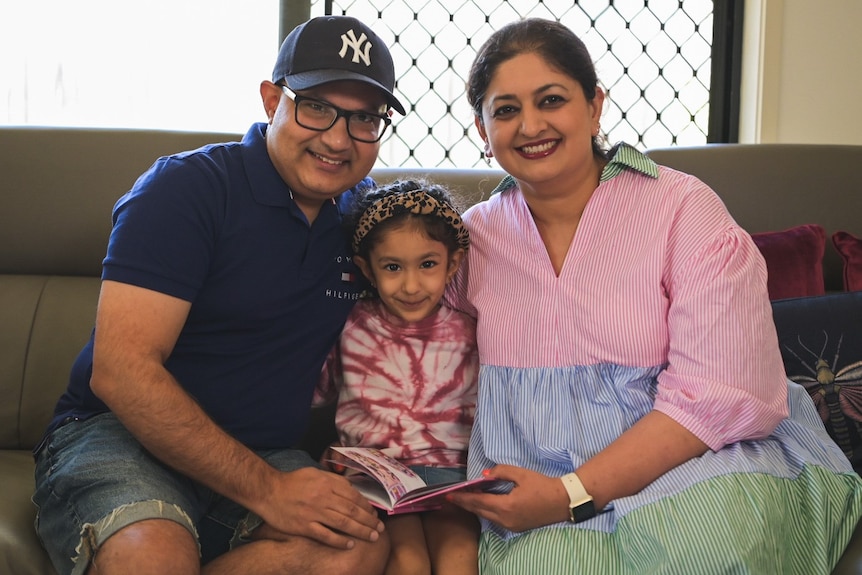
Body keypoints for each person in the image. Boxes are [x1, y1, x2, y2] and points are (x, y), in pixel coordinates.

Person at [445, 17, 862, 573]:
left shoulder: (684, 208)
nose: (530, 125)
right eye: (505, 110)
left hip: (705, 462)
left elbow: (721, 390)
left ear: (594, 106)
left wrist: (573, 492)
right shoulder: (466, 240)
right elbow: (419, 354)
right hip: (532, 484)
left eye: (551, 100)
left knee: (711, 546)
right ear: (481, 127)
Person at [32, 15, 407, 575]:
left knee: (357, 546)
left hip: (263, 450)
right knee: (150, 555)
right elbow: (121, 370)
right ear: (271, 99)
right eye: (317, 107)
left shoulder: (368, 219)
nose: (337, 138)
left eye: (364, 119)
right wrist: (270, 492)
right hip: (119, 435)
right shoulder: (186, 188)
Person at [314, 179, 481, 575]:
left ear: (452, 263)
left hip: (451, 481)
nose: (410, 285)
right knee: (408, 563)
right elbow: (316, 393)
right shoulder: (352, 325)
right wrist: (334, 453)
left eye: (427, 264)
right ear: (367, 269)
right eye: (392, 267)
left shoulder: (472, 332)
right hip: (378, 480)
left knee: (461, 561)